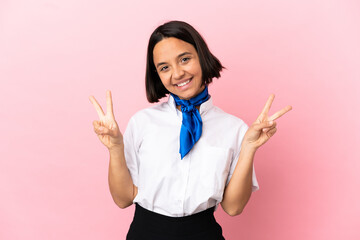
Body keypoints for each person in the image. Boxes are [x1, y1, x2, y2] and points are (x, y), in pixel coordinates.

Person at [89, 20, 292, 240]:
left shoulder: (235, 129)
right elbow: (123, 199)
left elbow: (233, 208)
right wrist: (116, 148)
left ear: (201, 57)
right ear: (157, 74)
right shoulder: (142, 122)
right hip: (146, 232)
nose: (177, 74)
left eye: (185, 59)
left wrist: (250, 147)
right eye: (164, 67)